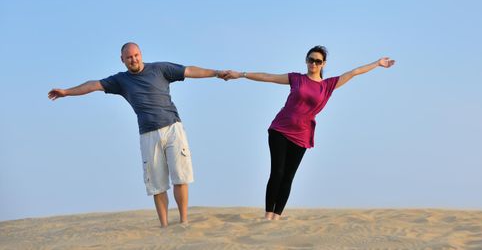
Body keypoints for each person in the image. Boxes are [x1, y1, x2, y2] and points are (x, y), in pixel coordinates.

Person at [48, 42, 227, 227]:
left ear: (141, 54)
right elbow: (93, 85)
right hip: (148, 134)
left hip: (173, 128)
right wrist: (66, 92)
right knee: (157, 185)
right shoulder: (120, 80)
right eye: (129, 57)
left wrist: (215, 72)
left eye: (136, 55)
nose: (133, 59)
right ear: (122, 60)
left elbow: (189, 71)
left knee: (180, 177)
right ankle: (164, 226)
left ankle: (183, 222)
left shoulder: (160, 69)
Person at [224, 46, 395, 220]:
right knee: (277, 172)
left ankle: (276, 217)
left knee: (289, 176)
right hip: (280, 129)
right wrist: (241, 74)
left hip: (302, 135)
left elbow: (354, 72)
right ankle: (267, 216)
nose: (314, 63)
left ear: (323, 64)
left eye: (318, 61)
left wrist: (377, 63)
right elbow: (268, 77)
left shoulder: (328, 86)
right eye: (311, 60)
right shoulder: (296, 78)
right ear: (306, 61)